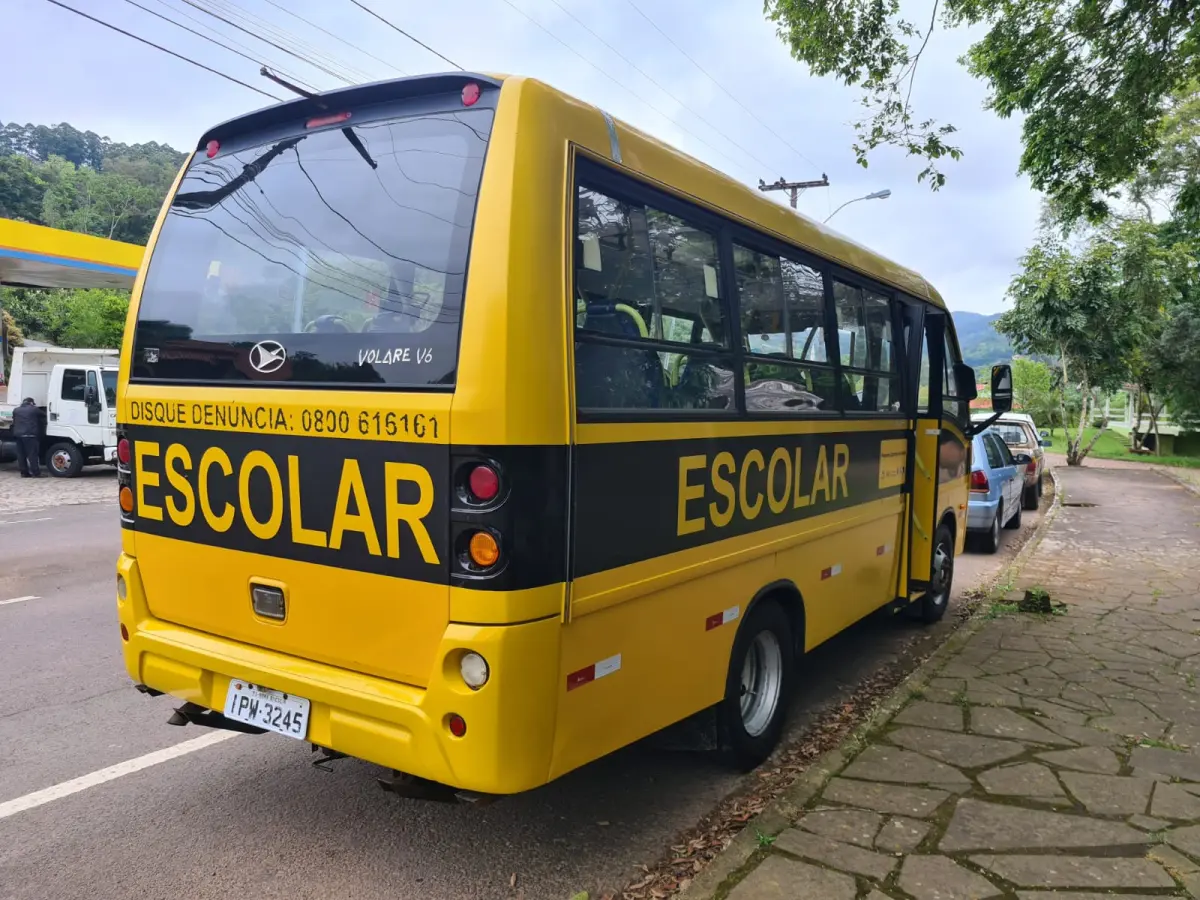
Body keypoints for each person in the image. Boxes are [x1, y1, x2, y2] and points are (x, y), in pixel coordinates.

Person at [11, 397, 43, 478]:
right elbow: (44, 415)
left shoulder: (16, 410)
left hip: (18, 435)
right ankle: (36, 473)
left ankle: (24, 473)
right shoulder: (34, 409)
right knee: (32, 455)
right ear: (31, 403)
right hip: (30, 435)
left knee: (21, 455)